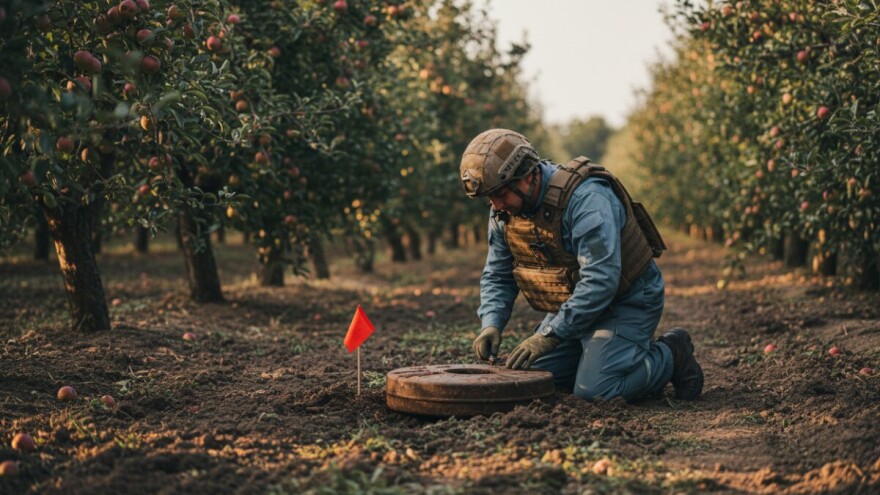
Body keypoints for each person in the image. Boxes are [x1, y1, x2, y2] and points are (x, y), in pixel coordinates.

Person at [460, 129, 703, 402]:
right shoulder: (504, 211)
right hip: (572, 304)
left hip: (626, 300)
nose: (495, 205)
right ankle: (596, 359)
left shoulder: (587, 200)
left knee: (597, 392)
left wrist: (551, 334)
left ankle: (671, 354)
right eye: (490, 197)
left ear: (527, 176)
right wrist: (491, 323)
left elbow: (601, 279)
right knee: (533, 377)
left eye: (501, 194)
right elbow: (498, 274)